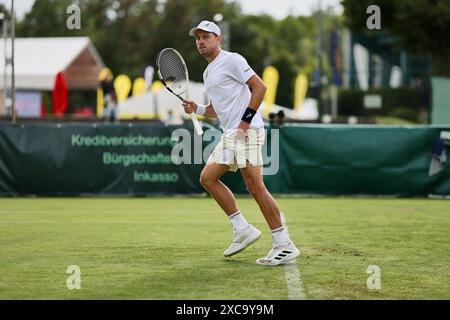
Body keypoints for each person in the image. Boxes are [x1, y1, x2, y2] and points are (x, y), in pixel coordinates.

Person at [182, 20, 300, 266]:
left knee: (255, 186)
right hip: (231, 133)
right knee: (207, 178)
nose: (201, 41)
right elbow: (217, 109)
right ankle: (242, 229)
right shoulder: (207, 72)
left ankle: (284, 244)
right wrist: (198, 108)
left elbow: (260, 87)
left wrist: (244, 124)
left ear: (218, 39)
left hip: (247, 130)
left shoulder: (233, 59)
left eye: (206, 37)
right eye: (198, 38)